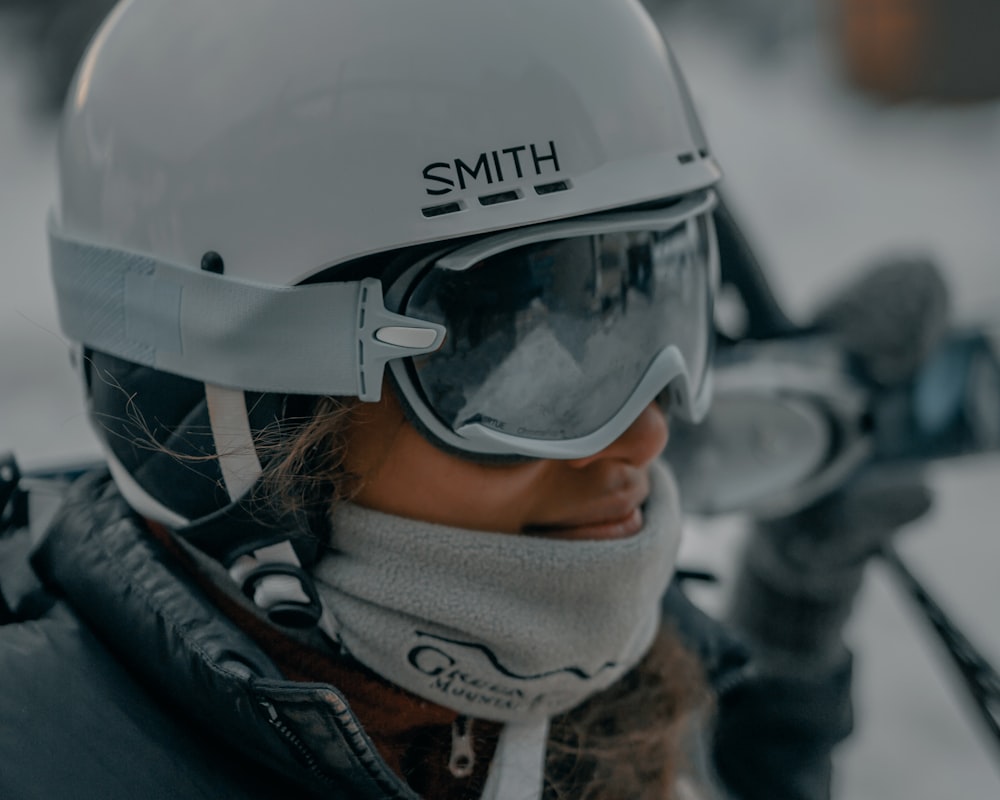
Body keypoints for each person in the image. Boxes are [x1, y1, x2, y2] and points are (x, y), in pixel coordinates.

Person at [0, 1, 929, 797]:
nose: (647, 435)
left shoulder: (552, 709)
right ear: (223, 415)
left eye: (645, 307)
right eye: (508, 352)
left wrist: (783, 654)